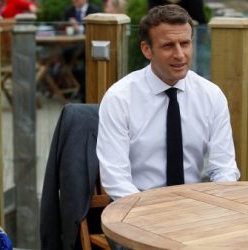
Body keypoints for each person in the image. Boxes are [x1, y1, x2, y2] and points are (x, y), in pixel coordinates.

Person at [97, 5, 240, 202]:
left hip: (195, 207)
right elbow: (115, 179)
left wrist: (217, 205)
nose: (180, 54)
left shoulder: (211, 95)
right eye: (168, 45)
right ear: (147, 50)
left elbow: (224, 167)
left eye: (185, 43)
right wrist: (148, 214)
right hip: (137, 208)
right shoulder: (120, 98)